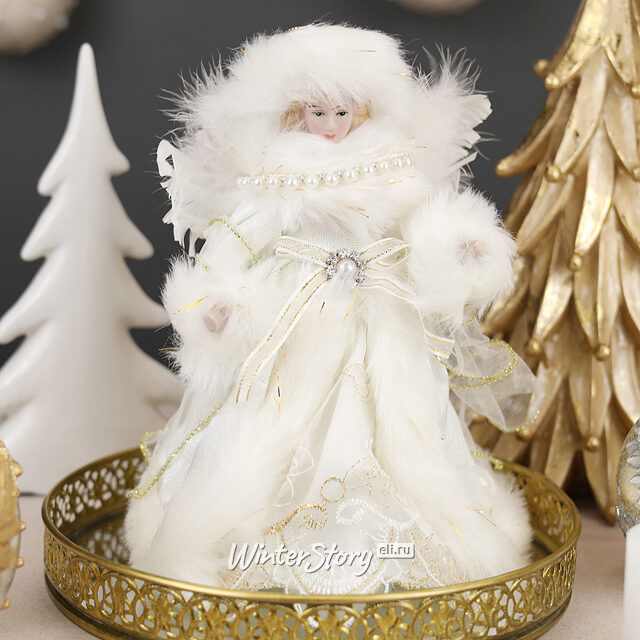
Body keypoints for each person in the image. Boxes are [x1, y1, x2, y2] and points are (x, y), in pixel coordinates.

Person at [124, 24, 541, 594]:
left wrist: (460, 248)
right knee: (271, 423)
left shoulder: (394, 169)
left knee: (399, 422)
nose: (329, 125)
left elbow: (426, 227)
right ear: (295, 112)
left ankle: (419, 541)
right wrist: (220, 301)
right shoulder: (273, 175)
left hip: (380, 324)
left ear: (363, 111)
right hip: (295, 327)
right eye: (316, 112)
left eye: (341, 113)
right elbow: (236, 241)